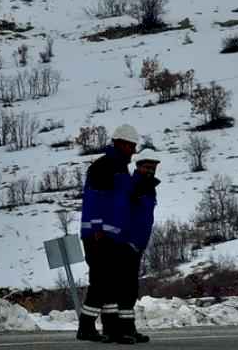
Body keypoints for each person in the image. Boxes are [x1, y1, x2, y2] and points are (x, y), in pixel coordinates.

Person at [77, 125, 138, 342]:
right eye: (131, 146)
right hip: (98, 236)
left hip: (112, 236)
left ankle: (112, 329)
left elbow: (121, 204)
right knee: (101, 281)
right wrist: (96, 229)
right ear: (121, 143)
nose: (133, 150)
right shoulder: (103, 166)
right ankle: (85, 325)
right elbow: (95, 199)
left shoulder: (121, 168)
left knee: (110, 282)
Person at [106, 157, 160, 345]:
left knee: (129, 290)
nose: (150, 171)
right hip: (124, 243)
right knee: (122, 288)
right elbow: (119, 212)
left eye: (153, 167)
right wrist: (125, 239)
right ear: (138, 167)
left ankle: (127, 329)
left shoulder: (149, 187)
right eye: (146, 167)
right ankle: (117, 331)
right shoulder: (131, 185)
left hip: (137, 244)